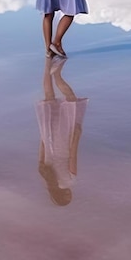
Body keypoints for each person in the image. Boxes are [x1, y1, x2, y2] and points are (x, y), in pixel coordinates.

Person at [35, 56, 88, 206]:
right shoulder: (47, 177)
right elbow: (42, 155)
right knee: (49, 98)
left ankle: (57, 74)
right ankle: (48, 61)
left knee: (71, 100)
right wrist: (44, 134)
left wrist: (77, 135)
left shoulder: (69, 181)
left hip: (64, 140)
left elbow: (72, 156)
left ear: (66, 194)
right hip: (49, 138)